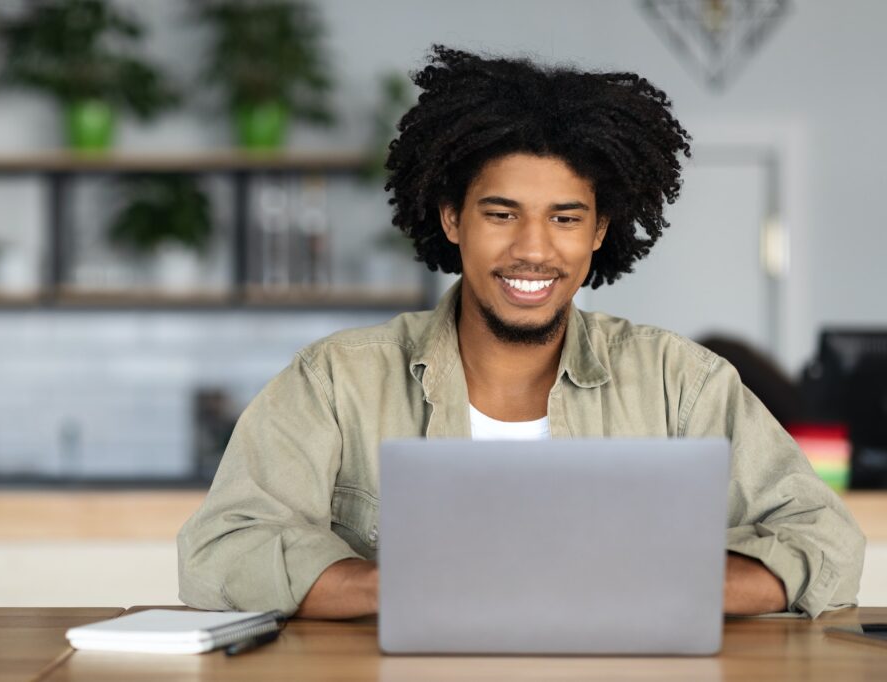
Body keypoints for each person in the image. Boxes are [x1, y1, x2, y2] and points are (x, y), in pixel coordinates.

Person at [178, 45, 865, 620]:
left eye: (565, 219)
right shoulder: (337, 379)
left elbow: (824, 541)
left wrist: (657, 592)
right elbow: (220, 555)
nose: (533, 250)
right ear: (453, 219)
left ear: (598, 232)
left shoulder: (682, 382)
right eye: (502, 214)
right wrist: (417, 590)